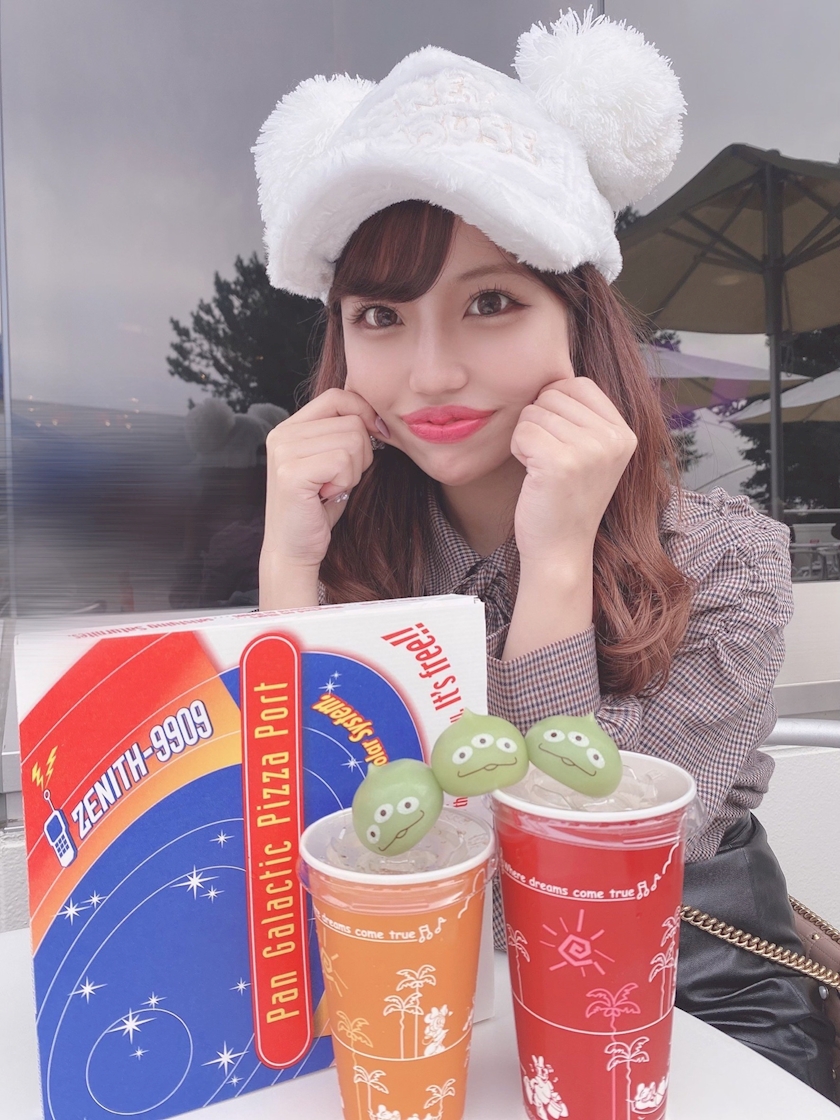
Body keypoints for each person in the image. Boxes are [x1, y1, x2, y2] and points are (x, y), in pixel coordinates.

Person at [252, 10, 836, 1098]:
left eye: (490, 302)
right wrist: (288, 572)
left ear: (578, 324)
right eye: (381, 316)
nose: (431, 371)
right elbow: (302, 859)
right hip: (424, 1007)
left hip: (684, 1006)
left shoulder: (727, 564)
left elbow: (571, 870)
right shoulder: (349, 549)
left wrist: (558, 557)